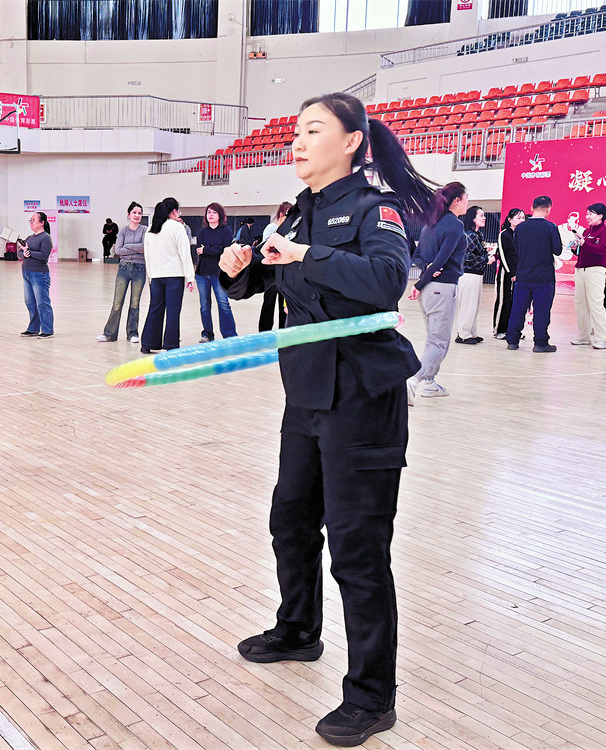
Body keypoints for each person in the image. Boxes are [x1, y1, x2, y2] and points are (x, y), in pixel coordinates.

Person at [219, 91, 435, 748]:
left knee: (357, 550)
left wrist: (305, 256)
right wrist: (239, 271)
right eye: (296, 131)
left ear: (351, 142)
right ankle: (298, 630)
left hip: (362, 398)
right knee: (290, 520)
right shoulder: (295, 214)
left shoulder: (375, 210)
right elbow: (269, 281)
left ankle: (372, 696)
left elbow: (386, 281)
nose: (298, 141)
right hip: (307, 392)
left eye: (314, 130)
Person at [406, 182, 468, 400]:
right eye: (466, 198)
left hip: (429, 290)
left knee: (434, 339)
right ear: (457, 200)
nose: (467, 202)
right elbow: (441, 260)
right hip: (441, 289)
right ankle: (413, 380)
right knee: (438, 342)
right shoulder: (455, 225)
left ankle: (430, 383)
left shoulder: (430, 224)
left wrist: (424, 275)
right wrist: (421, 281)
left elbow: (417, 256)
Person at [505, 195, 562, 353]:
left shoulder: (520, 228)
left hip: (523, 275)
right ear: (548, 209)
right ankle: (540, 342)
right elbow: (557, 250)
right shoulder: (551, 227)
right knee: (542, 310)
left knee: (518, 308)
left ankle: (512, 340)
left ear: (532, 208)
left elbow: (517, 248)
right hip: (544, 277)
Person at [140, 197, 194, 354]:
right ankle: (170, 345)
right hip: (174, 277)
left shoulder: (151, 229)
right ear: (175, 211)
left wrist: (150, 276)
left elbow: (148, 256)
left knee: (155, 308)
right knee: (173, 311)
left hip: (156, 276)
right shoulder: (177, 227)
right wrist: (190, 277)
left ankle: (147, 344)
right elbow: (185, 254)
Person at [98, 202, 146, 343]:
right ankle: (109, 334)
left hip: (139, 269)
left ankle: (132, 333)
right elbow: (118, 250)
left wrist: (128, 246)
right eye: (134, 213)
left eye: (139, 213)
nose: (137, 215)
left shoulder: (145, 230)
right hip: (123, 269)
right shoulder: (123, 231)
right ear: (128, 215)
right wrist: (136, 249)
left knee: (135, 303)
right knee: (117, 303)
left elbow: (144, 247)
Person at [570, 202, 606, 349]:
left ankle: (602, 339)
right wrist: (575, 247)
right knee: (580, 304)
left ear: (600, 216)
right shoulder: (587, 231)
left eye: (591, 214)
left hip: (595, 270)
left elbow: (602, 250)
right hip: (580, 270)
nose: (588, 216)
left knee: (596, 304)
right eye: (587, 213)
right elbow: (584, 250)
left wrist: (584, 244)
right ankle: (584, 337)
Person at [195, 202, 237, 342]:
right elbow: (201, 251)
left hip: (219, 273)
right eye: (209, 212)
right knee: (204, 306)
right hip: (202, 273)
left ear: (220, 215)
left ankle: (230, 335)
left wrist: (206, 249)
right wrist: (214, 249)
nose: (211, 215)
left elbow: (225, 250)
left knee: (223, 304)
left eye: (214, 212)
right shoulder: (201, 233)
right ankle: (207, 334)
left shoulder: (226, 231)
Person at [454, 205, 489, 345]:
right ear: (473, 218)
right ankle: (463, 334)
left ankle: (471, 332)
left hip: (476, 274)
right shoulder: (470, 235)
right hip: (469, 275)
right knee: (468, 305)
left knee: (474, 305)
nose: (484, 218)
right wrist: (486, 259)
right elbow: (465, 256)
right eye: (481, 215)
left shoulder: (477, 235)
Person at [18, 211, 54, 338]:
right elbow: (20, 253)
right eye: (31, 220)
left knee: (42, 303)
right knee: (30, 302)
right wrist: (24, 253)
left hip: (39, 274)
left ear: (42, 222)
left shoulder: (45, 238)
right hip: (27, 273)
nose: (31, 222)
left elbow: (44, 255)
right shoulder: (29, 238)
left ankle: (47, 330)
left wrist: (29, 252)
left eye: (34, 220)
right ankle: (33, 328)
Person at [258, 202, 293, 331]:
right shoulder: (271, 228)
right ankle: (264, 333)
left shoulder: (291, 230)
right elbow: (266, 248)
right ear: (281, 214)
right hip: (271, 272)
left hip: (285, 272)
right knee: (268, 303)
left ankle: (283, 332)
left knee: (284, 306)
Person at [493, 208, 524, 339]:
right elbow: (503, 256)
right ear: (510, 220)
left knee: (516, 302)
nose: (521, 220)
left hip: (520, 273)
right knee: (504, 300)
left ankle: (512, 330)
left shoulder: (522, 235)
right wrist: (511, 273)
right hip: (506, 273)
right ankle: (498, 330)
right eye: (518, 218)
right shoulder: (504, 234)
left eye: (523, 218)